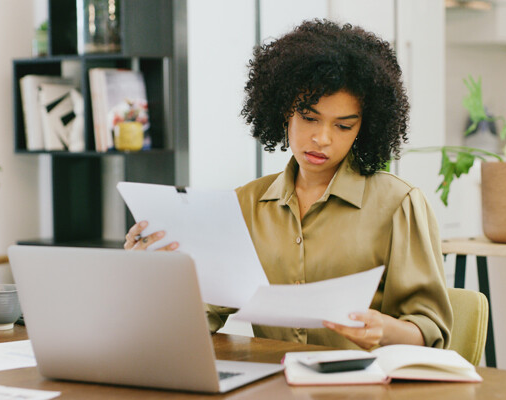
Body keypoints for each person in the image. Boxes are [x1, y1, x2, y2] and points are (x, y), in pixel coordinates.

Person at [125, 19, 452, 351]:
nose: (321, 138)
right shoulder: (246, 204)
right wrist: (154, 274)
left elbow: (430, 329)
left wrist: (386, 329)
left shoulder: (399, 204)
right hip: (273, 383)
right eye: (309, 118)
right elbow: (200, 316)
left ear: (363, 129)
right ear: (284, 111)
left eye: (343, 126)